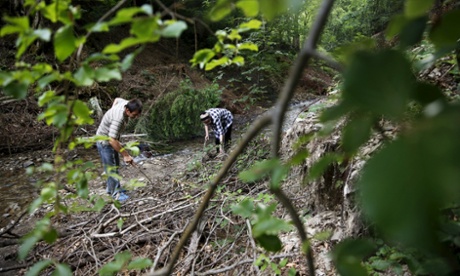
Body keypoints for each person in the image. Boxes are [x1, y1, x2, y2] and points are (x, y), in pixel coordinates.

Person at [96, 98, 142, 202]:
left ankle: (111, 188)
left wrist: (111, 112)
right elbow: (112, 140)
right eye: (134, 115)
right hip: (104, 142)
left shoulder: (127, 103)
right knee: (111, 168)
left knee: (115, 165)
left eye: (138, 114)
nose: (136, 117)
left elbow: (116, 99)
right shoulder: (118, 118)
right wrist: (126, 155)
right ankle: (115, 194)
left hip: (111, 139)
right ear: (127, 111)